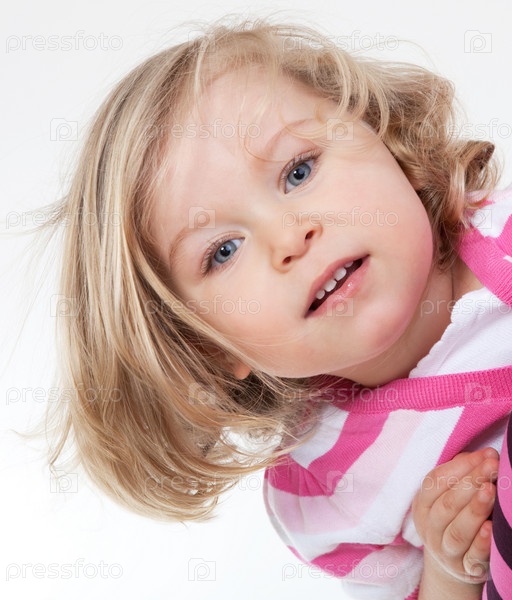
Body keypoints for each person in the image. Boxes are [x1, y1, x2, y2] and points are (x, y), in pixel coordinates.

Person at [40, 18, 512, 600]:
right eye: (224, 251)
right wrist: (449, 569)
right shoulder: (326, 491)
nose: (289, 237)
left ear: (382, 135)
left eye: (298, 171)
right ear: (207, 347)